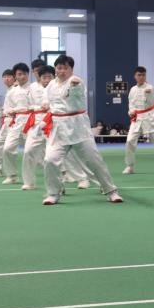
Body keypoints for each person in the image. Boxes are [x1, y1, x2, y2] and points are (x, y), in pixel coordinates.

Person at [41, 55, 122, 205]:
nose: (62, 71)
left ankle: (111, 191)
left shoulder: (76, 82)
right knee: (50, 160)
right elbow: (46, 99)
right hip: (58, 128)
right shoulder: (51, 85)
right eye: (59, 68)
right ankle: (53, 193)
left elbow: (77, 91)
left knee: (94, 160)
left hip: (78, 127)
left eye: (66, 68)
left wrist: (75, 85)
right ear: (55, 69)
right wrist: (45, 104)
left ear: (71, 69)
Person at [123, 66, 154, 175]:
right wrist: (131, 111)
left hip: (150, 117)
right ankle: (129, 166)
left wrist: (149, 93)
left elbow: (151, 103)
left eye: (143, 75)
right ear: (135, 76)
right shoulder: (133, 89)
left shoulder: (150, 87)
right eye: (139, 75)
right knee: (130, 141)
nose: (141, 77)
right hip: (137, 118)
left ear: (146, 76)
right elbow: (131, 103)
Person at [20, 63, 53, 190]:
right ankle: (29, 182)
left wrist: (49, 107)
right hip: (36, 123)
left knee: (55, 155)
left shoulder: (57, 88)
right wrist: (38, 107)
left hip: (53, 123)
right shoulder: (32, 87)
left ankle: (78, 178)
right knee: (28, 151)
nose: (46, 80)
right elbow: (28, 105)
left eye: (49, 77)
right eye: (44, 77)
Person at [1, 62, 35, 185]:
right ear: (15, 76)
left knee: (33, 150)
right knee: (7, 148)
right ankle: (12, 175)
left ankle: (62, 172)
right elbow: (6, 108)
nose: (22, 76)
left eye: (24, 74)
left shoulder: (34, 88)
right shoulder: (12, 91)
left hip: (32, 121)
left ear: (28, 74)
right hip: (17, 121)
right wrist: (9, 111)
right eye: (19, 74)